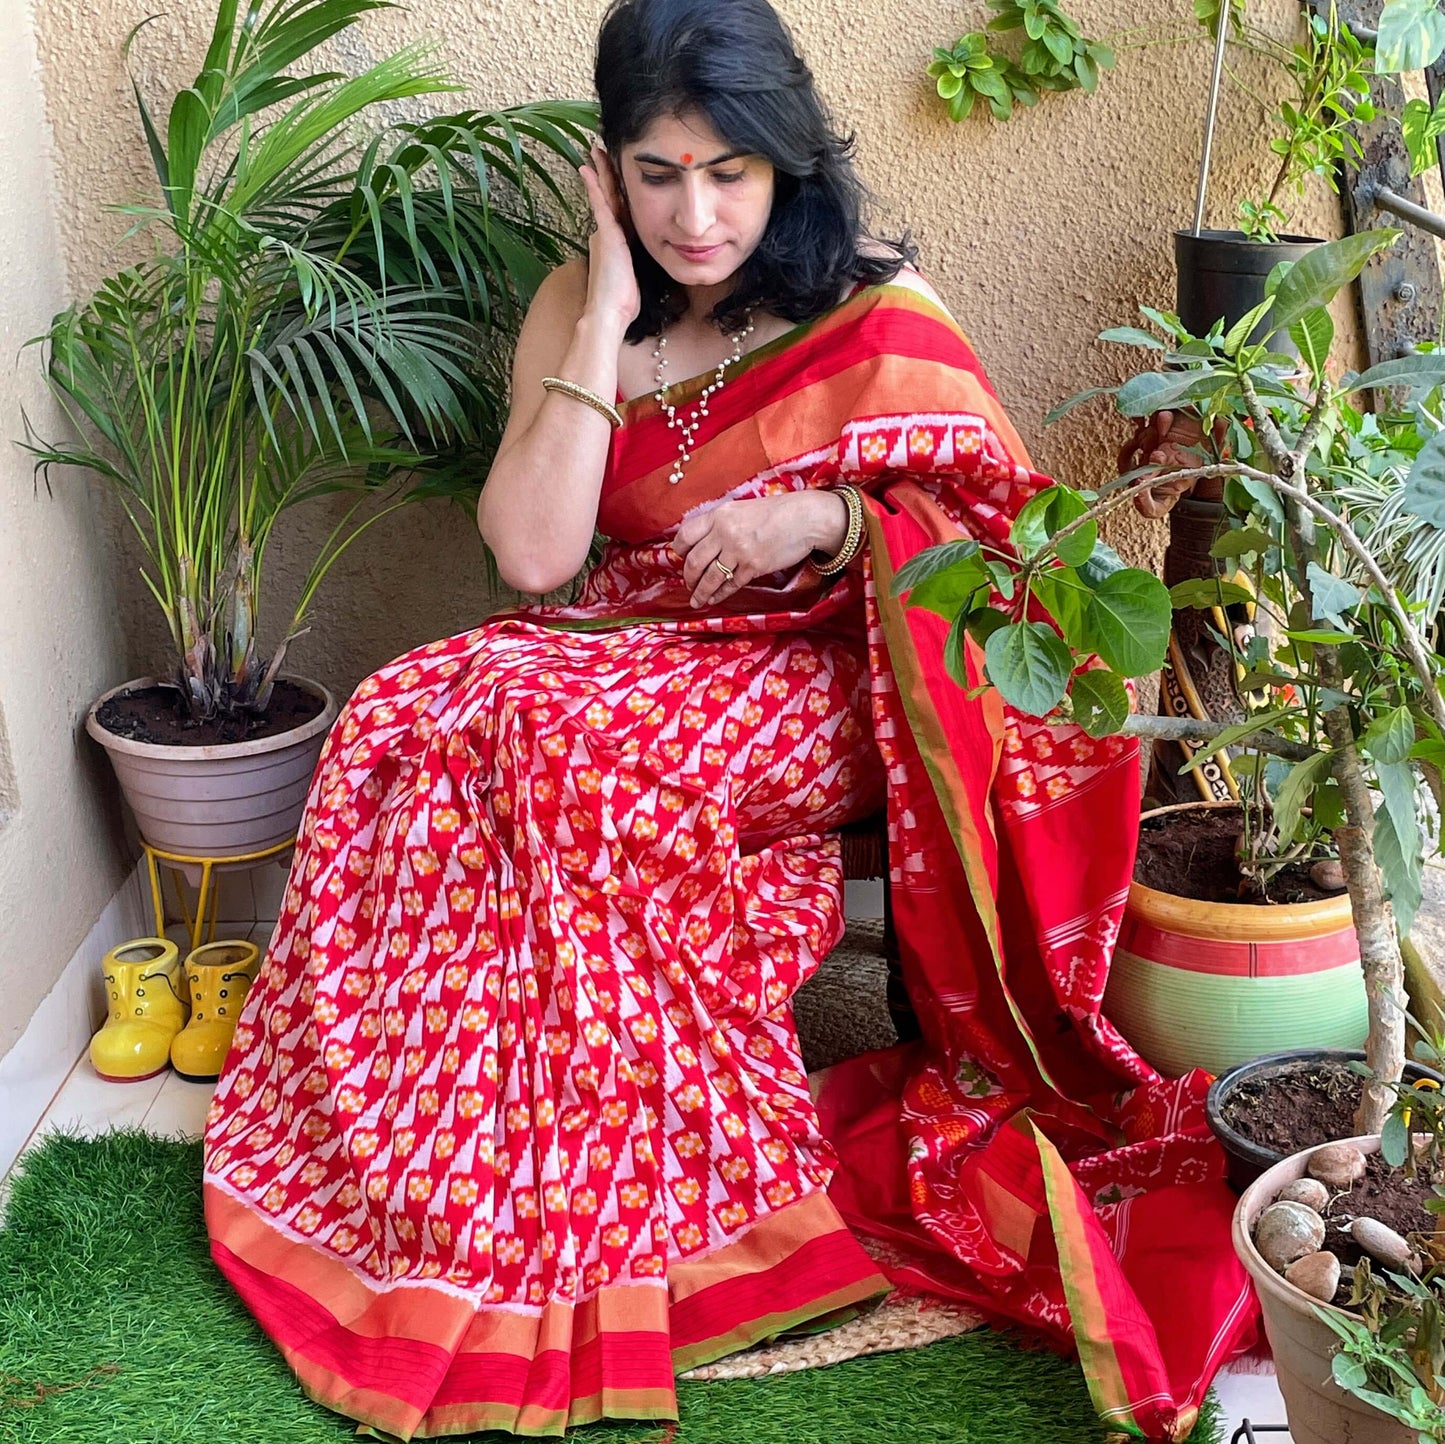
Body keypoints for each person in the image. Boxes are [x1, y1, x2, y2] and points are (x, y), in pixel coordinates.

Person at [203, 2, 1255, 1440]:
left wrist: (823, 518)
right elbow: (530, 556)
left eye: (729, 172)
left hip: (822, 669)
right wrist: (605, 319)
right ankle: (458, 1132)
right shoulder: (586, 301)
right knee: (416, 701)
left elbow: (1014, 550)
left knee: (548, 736)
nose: (694, 213)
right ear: (610, 171)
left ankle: (682, 1180)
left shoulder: (871, 303)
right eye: (656, 173)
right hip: (623, 649)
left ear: (786, 163)